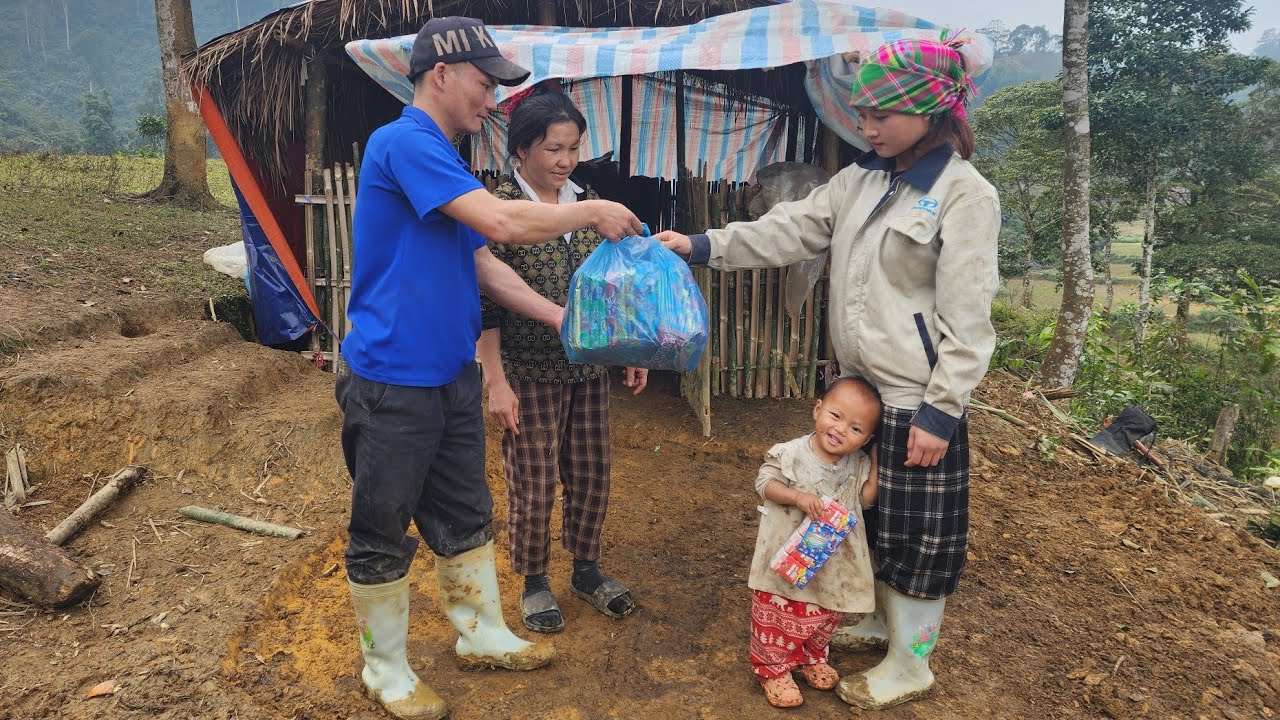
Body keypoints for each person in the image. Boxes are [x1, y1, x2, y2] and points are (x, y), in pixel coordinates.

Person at [656, 36, 1000, 711]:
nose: (867, 126)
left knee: (917, 536)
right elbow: (787, 230)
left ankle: (911, 662)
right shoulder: (860, 181)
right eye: (861, 112)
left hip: (917, 398)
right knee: (862, 522)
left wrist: (941, 410)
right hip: (859, 394)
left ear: (929, 111)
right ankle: (875, 621)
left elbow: (969, 319)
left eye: (881, 114)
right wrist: (700, 245)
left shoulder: (965, 195)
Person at [337, 17, 644, 720]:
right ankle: (385, 669)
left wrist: (558, 317)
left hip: (450, 374)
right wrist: (592, 211)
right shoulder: (404, 142)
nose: (492, 100)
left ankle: (480, 632)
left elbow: (482, 262)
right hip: (392, 379)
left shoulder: (445, 158)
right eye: (484, 83)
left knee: (466, 513)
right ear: (441, 75)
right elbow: (503, 226)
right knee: (382, 525)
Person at [476, 87, 644, 634]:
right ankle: (534, 580)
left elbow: (610, 284)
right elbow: (485, 303)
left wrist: (627, 348)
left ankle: (587, 570)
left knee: (592, 473)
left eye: (572, 148)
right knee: (533, 479)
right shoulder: (499, 208)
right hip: (529, 372)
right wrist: (496, 382)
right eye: (553, 148)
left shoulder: (587, 202)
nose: (565, 160)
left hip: (588, 370)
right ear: (522, 149)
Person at [748, 377, 881, 708]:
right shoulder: (792, 453)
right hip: (786, 554)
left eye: (856, 428)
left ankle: (812, 657)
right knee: (781, 610)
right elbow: (764, 483)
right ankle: (774, 669)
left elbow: (865, 500)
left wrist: (878, 464)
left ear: (867, 438)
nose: (840, 430)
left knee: (824, 610)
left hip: (832, 559)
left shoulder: (859, 463)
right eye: (835, 416)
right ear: (818, 409)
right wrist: (797, 497)